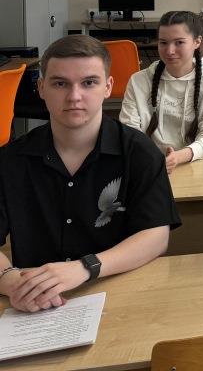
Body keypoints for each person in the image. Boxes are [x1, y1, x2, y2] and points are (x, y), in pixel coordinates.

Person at [0, 36, 179, 313]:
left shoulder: (139, 152)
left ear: (107, 87)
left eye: (88, 83)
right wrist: (10, 281)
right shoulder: (10, 160)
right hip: (36, 305)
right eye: (60, 84)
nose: (74, 96)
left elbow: (156, 236)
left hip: (118, 294)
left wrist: (85, 267)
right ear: (41, 88)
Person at [120, 10, 203, 173]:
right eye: (163, 43)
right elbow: (130, 132)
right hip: (149, 164)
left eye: (179, 42)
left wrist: (178, 157)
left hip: (199, 163)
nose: (170, 51)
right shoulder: (139, 81)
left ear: (197, 42)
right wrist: (153, 159)